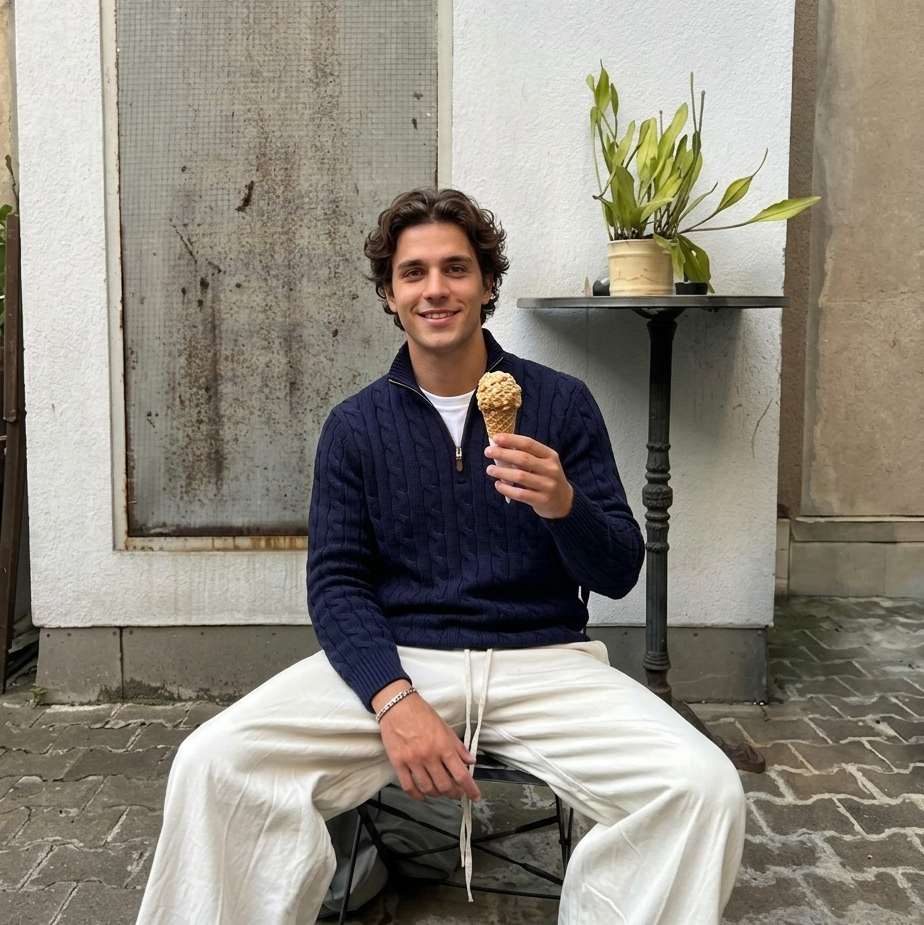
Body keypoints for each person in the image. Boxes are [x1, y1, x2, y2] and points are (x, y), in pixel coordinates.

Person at [136, 188, 746, 925]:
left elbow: (617, 568)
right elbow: (335, 585)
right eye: (414, 272)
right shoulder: (354, 427)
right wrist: (393, 697)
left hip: (544, 659)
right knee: (212, 762)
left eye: (456, 268)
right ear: (390, 295)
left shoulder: (561, 403)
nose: (435, 289)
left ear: (487, 284)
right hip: (402, 657)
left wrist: (565, 506)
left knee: (703, 786)